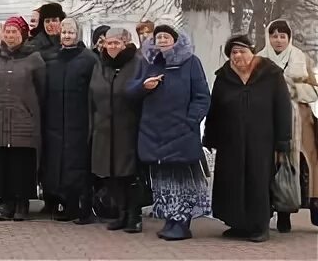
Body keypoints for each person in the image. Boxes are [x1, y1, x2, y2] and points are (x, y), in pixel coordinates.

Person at [203, 35, 292, 243]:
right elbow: (214, 109)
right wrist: (210, 136)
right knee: (231, 182)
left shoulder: (271, 74)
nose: (238, 56)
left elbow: (283, 108)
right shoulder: (224, 76)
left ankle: (260, 226)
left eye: (242, 51)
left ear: (252, 52)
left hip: (261, 141)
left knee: (257, 182)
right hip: (230, 141)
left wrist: (283, 140)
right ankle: (238, 224)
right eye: (233, 52)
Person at [127, 24, 211, 241]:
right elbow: (130, 92)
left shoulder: (191, 62)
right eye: (158, 37)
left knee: (182, 179)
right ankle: (170, 220)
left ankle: (182, 222)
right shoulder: (149, 63)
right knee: (163, 181)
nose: (162, 40)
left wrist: (190, 121)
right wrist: (143, 87)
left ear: (176, 40)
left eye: (166, 37)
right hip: (154, 132)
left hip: (181, 131)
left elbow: (202, 96)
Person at [0, 16, 45, 222]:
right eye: (7, 32)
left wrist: (32, 111)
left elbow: (42, 89)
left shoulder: (34, 58)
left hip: (23, 120)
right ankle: (7, 203)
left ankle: (22, 203)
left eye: (14, 32)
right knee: (2, 164)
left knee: (21, 164)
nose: (10, 36)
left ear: (22, 34)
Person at [257, 20, 318, 229]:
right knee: (271, 164)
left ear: (289, 38)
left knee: (302, 165)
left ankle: (297, 210)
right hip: (268, 118)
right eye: (274, 35)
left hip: (301, 121)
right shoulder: (259, 59)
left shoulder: (302, 58)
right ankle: (271, 211)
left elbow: (314, 90)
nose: (278, 40)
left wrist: (293, 90)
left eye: (282, 36)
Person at [42, 18, 98, 224]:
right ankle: (65, 203)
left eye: (71, 32)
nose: (67, 36)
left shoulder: (89, 59)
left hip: (80, 119)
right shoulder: (50, 59)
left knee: (78, 164)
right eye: (64, 32)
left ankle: (83, 206)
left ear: (78, 34)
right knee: (58, 163)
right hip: (55, 120)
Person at [89, 28, 143, 233]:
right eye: (108, 43)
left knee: (127, 175)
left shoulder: (136, 64)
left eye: (116, 43)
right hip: (102, 128)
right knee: (108, 174)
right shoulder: (100, 66)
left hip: (127, 128)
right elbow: (91, 97)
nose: (112, 47)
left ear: (125, 44)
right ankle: (121, 213)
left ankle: (134, 216)